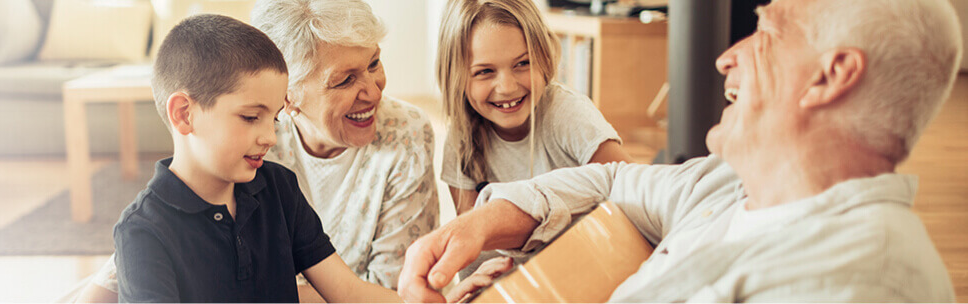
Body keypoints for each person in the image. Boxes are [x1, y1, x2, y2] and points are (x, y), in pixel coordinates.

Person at [397, 0, 963, 302]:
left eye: (768, 31)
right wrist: (483, 225)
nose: (727, 58)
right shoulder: (724, 183)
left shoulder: (857, 280)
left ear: (831, 75)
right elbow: (615, 180)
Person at [70, 0, 448, 301]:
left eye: (374, 64)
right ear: (291, 97)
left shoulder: (277, 187)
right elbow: (113, 282)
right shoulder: (146, 228)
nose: (269, 136)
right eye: (345, 80)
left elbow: (352, 293)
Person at [435, 0, 633, 217]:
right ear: (456, 78)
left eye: (522, 63)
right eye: (484, 71)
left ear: (544, 58)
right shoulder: (461, 138)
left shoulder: (566, 112)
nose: (507, 87)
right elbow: (473, 236)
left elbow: (635, 188)